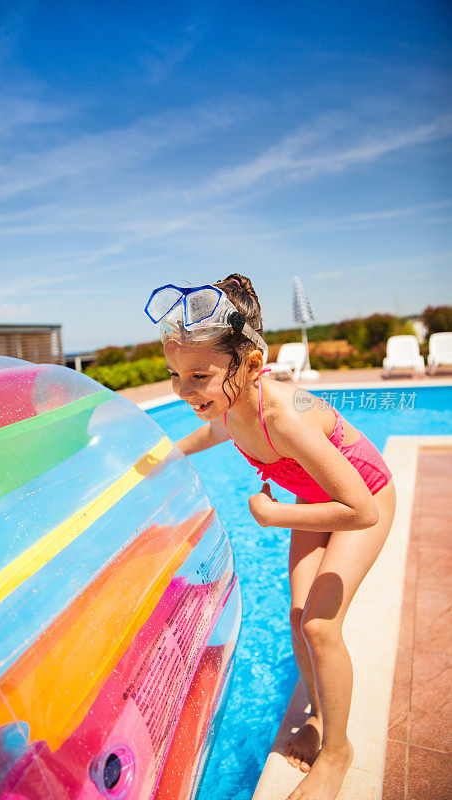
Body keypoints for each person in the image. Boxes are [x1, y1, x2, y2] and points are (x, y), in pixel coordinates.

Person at [144, 274, 396, 800]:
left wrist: (274, 515)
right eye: (174, 375)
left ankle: (338, 752)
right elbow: (214, 432)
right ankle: (322, 718)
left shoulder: (285, 416)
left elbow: (362, 510)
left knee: (323, 625)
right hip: (313, 501)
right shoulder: (231, 410)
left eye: (199, 376)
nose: (185, 391)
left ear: (252, 366)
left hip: (363, 496)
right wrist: (162, 457)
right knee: (298, 617)